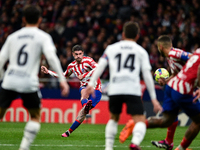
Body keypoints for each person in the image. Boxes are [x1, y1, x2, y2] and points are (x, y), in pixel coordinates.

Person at [0, 5, 69, 150]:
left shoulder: (12, 37)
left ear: (23, 19)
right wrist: (62, 80)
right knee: (35, 116)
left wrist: (2, 77)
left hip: (10, 80)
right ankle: (24, 148)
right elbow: (51, 57)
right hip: (28, 82)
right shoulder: (43, 37)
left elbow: (1, 59)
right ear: (40, 19)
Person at [85, 21, 162, 150]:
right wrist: (154, 99)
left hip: (115, 88)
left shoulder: (111, 48)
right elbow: (147, 75)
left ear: (123, 34)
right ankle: (135, 142)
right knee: (140, 120)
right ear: (137, 36)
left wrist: (91, 83)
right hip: (132, 89)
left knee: (113, 118)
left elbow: (100, 66)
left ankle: (108, 148)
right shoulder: (141, 51)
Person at [119, 35, 192, 150]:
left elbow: (194, 59)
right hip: (181, 88)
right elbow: (177, 73)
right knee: (170, 117)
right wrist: (166, 80)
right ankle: (170, 142)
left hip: (189, 89)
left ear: (161, 46)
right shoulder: (170, 58)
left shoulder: (175, 53)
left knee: (186, 118)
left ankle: (139, 125)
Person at [41, 44, 102, 137]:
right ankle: (85, 107)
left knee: (82, 114)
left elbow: (98, 68)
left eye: (80, 54)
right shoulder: (72, 66)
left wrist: (84, 75)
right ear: (73, 54)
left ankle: (71, 129)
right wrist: (48, 72)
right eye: (76, 54)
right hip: (85, 86)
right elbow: (63, 75)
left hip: (96, 87)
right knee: (83, 94)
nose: (78, 56)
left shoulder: (88, 61)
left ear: (83, 53)